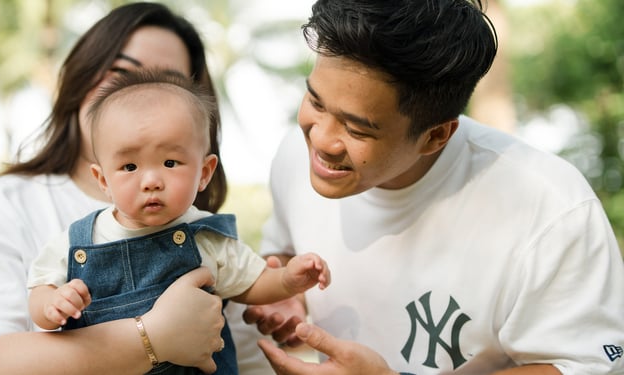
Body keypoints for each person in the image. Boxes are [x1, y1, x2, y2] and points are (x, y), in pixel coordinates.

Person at [236, 0, 624, 374]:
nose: (321, 140)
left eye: (356, 129)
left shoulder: (549, 208)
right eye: (316, 102)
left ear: (435, 136)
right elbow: (286, 250)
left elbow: (587, 363)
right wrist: (289, 293)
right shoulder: (294, 157)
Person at [0, 3, 241, 374]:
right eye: (120, 71)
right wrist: (150, 337)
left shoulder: (205, 230)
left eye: (165, 83)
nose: (137, 95)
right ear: (79, 78)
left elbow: (244, 354)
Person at [26, 69, 331, 374]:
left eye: (170, 163)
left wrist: (288, 280)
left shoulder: (205, 237)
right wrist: (52, 304)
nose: (151, 180)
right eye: (129, 166)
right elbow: (40, 290)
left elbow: (251, 283)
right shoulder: (82, 241)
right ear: (103, 179)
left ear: (204, 173)